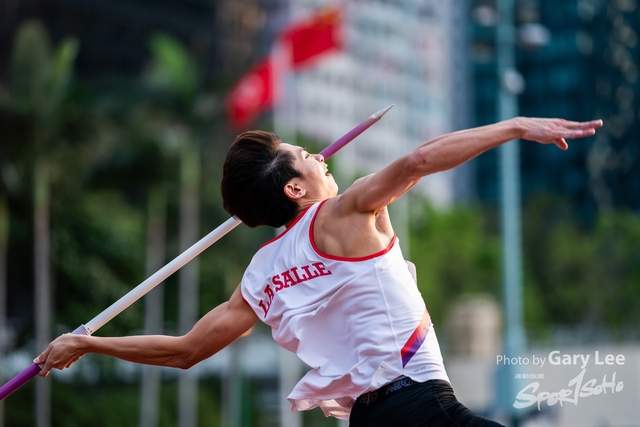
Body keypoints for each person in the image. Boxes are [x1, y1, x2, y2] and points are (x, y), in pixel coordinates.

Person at [36, 116, 602, 426]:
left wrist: (91, 345)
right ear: (295, 189)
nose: (321, 156)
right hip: (420, 407)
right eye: (308, 156)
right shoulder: (343, 215)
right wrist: (515, 127)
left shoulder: (260, 275)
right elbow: (418, 161)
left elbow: (186, 351)